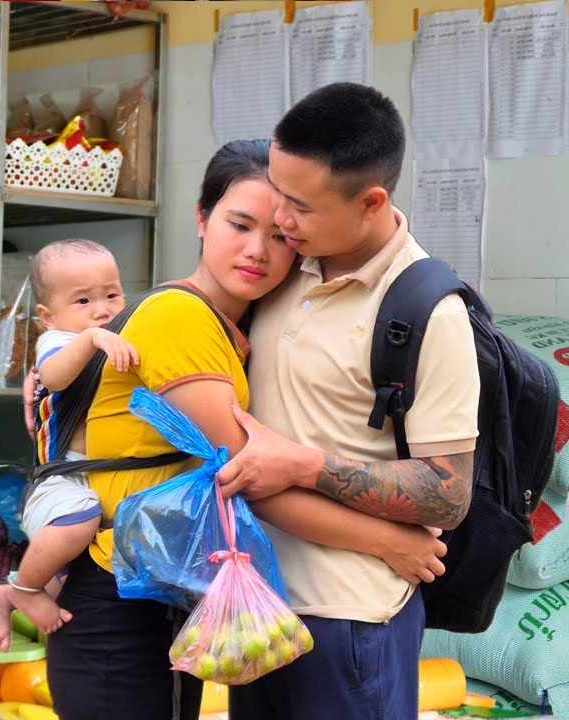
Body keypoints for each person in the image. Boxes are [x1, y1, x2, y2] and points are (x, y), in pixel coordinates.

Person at [41, 139, 451, 720]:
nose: (258, 250)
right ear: (202, 219)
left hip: (156, 594)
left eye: (281, 236)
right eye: (239, 224)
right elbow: (245, 477)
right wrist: (388, 542)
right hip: (116, 605)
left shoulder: (233, 326)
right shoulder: (180, 318)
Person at [214, 83, 479, 720]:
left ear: (371, 202)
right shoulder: (282, 265)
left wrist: (304, 466)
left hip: (352, 623)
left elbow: (448, 491)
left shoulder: (426, 311)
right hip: (254, 605)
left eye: (299, 205)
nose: (279, 218)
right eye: (276, 190)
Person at [0, 239, 137, 649]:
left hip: (96, 477)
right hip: (62, 480)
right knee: (80, 520)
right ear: (49, 316)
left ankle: (4, 595)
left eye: (112, 294)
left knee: (68, 585)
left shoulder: (119, 334)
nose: (102, 310)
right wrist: (91, 340)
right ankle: (26, 589)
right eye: (83, 300)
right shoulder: (60, 341)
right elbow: (54, 376)